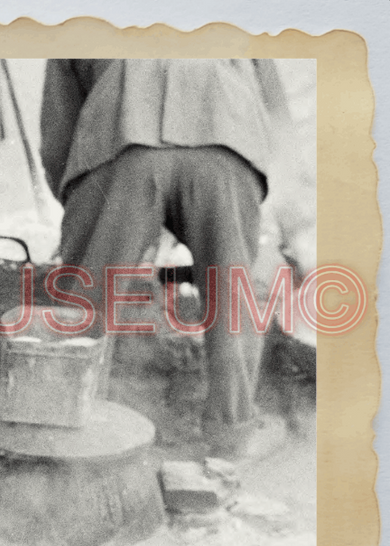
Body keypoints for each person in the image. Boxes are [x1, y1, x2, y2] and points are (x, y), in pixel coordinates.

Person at [39, 59, 302, 460]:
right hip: (226, 141)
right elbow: (277, 116)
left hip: (121, 140)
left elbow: (59, 134)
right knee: (232, 297)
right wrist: (277, 215)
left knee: (87, 298)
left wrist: (87, 223)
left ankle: (65, 432)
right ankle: (234, 432)